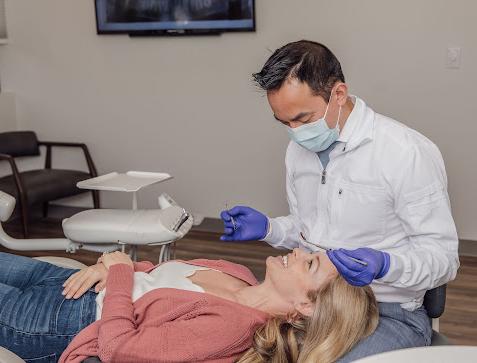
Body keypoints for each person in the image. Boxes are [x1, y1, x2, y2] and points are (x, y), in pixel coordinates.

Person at [220, 40, 459, 361]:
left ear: (338, 95)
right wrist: (269, 229)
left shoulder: (405, 152)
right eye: (284, 123)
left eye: (303, 120)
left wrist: (386, 266)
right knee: (229, 346)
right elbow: (309, 233)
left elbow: (443, 259)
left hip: (385, 311)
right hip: (311, 306)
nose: (294, 132)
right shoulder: (297, 151)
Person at [0, 250, 377, 363]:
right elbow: (156, 271)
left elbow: (119, 348)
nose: (298, 252)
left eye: (308, 264)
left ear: (305, 307)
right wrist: (112, 268)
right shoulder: (237, 270)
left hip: (63, 320)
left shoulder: (231, 328)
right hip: (80, 282)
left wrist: (117, 272)